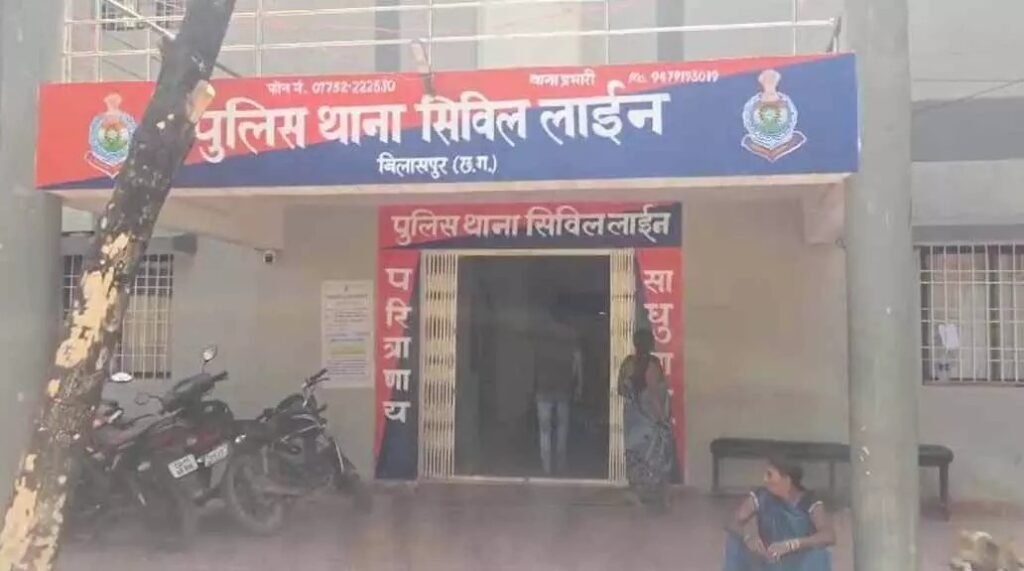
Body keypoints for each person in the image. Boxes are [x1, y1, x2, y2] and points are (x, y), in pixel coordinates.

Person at [723, 456, 835, 571]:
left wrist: (791, 545)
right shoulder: (761, 496)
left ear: (787, 480)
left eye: (769, 475)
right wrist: (749, 537)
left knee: (820, 554)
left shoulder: (809, 501)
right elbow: (732, 521)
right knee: (734, 542)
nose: (765, 479)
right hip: (768, 560)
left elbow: (828, 535)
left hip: (798, 563)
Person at [617, 328, 674, 510]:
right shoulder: (652, 364)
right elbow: (654, 394)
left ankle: (637, 493)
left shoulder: (627, 364)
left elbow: (620, 390)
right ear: (650, 344)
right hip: (649, 420)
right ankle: (655, 498)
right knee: (655, 457)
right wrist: (663, 419)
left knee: (635, 456)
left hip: (632, 419)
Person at [533, 308, 582, 476]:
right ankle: (560, 466)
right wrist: (579, 384)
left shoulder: (541, 336)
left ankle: (546, 467)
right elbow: (577, 362)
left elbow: (534, 362)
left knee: (544, 429)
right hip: (563, 386)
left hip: (543, 387)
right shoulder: (570, 335)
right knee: (562, 427)